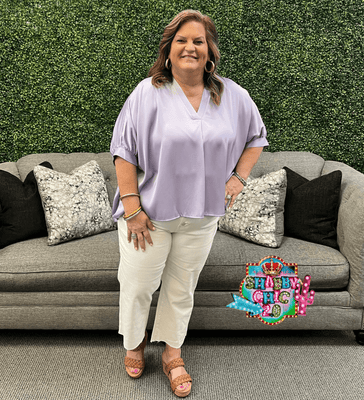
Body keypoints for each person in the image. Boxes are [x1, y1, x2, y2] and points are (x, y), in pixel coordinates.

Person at [110, 9, 268, 397]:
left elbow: (256, 138)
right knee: (138, 285)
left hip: (202, 217)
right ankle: (135, 344)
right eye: (181, 40)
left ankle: (172, 354)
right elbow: (124, 151)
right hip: (148, 215)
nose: (190, 47)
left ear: (209, 51)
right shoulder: (147, 93)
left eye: (198, 41)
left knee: (181, 289)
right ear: (168, 51)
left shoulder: (233, 95)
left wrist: (238, 178)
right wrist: (132, 209)